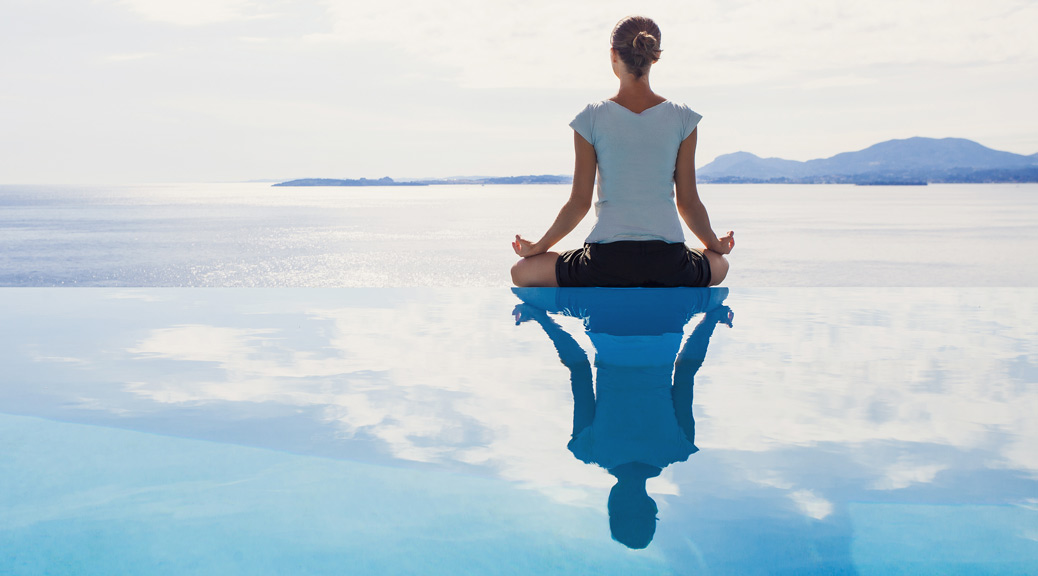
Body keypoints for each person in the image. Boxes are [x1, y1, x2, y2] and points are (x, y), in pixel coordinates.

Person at [511, 16, 734, 288]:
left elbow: (579, 203)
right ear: (655, 57)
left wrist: (539, 247)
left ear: (613, 54)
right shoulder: (683, 118)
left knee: (520, 272)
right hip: (669, 263)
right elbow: (688, 203)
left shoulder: (590, 118)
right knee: (720, 265)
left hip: (606, 264)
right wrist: (715, 244)